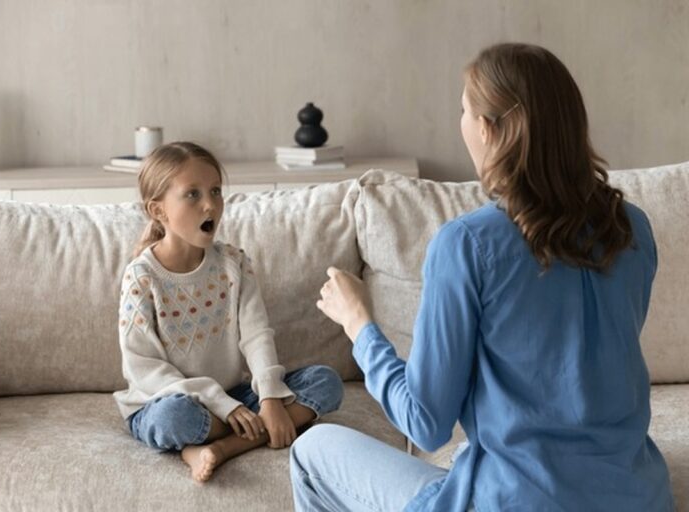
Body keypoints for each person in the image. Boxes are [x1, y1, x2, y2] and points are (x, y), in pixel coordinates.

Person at [290, 43, 675, 511]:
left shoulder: (467, 244)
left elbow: (425, 423)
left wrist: (359, 325)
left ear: (489, 130)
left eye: (463, 111)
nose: (462, 125)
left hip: (515, 502)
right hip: (639, 499)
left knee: (311, 451)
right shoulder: (633, 228)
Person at [113, 141, 343, 483]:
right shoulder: (142, 277)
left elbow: (256, 335)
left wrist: (268, 397)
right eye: (192, 194)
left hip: (234, 395)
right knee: (174, 419)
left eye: (215, 191)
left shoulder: (233, 263)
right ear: (158, 211)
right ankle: (242, 434)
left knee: (326, 382)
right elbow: (144, 369)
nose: (210, 205)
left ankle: (219, 448)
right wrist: (221, 404)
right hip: (165, 401)